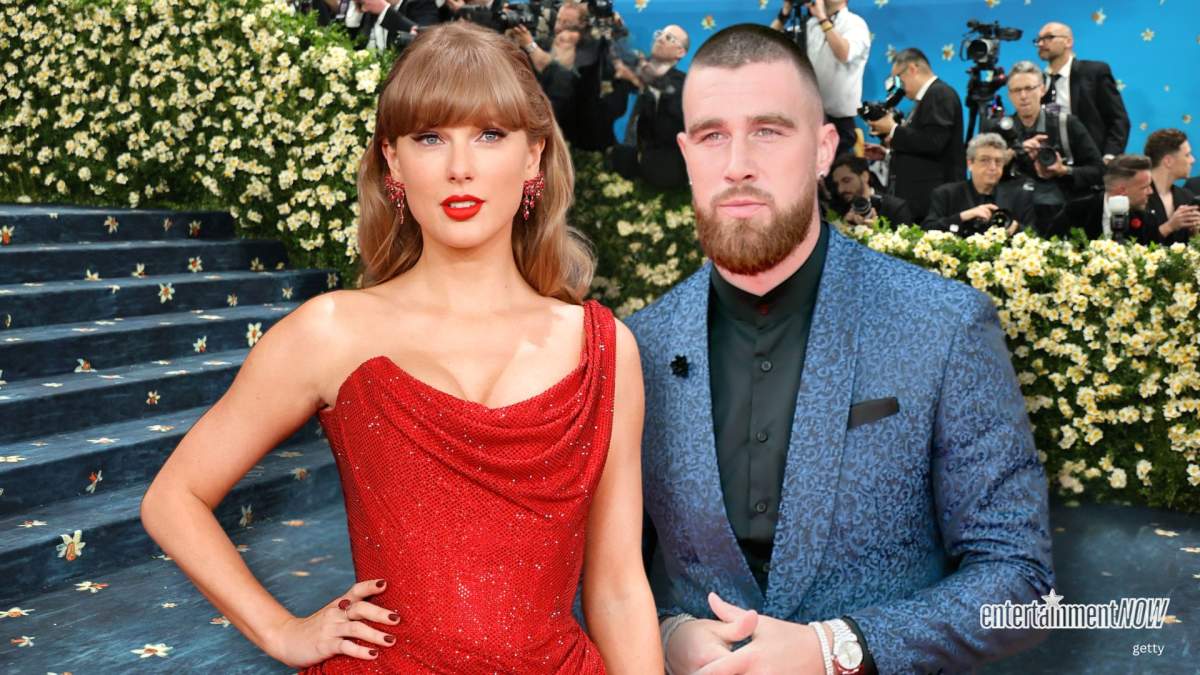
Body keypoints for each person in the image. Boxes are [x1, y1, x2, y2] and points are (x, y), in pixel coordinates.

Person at [140, 22, 662, 673]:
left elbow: (617, 588)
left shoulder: (605, 348)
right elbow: (173, 498)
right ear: (393, 160)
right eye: (429, 137)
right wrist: (280, 631)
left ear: (534, 156)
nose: (459, 167)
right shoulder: (330, 330)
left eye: (489, 134)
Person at [630, 23, 1052, 675]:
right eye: (713, 135)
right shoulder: (637, 346)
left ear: (824, 148)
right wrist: (665, 636)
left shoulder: (944, 323)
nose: (737, 163)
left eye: (768, 131)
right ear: (687, 154)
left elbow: (1022, 581)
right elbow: (589, 575)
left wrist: (837, 649)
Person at [989, 60, 1103, 232]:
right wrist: (1014, 152)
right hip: (1013, 214)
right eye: (1016, 90)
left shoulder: (1066, 125)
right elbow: (983, 174)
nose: (1023, 96)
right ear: (1009, 95)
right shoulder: (999, 130)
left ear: (1042, 89)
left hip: (1061, 214)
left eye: (1029, 88)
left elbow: (1099, 171)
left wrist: (1063, 170)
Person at [509, 2, 632, 152]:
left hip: (585, 143)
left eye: (567, 23)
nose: (559, 27)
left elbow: (561, 75)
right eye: (558, 20)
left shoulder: (592, 55)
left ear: (582, 27)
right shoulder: (547, 44)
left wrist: (531, 47)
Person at [865, 48, 965, 223]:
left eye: (898, 79)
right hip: (919, 202)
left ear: (912, 69)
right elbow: (921, 146)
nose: (898, 87)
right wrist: (888, 154)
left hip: (933, 202)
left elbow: (934, 142)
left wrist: (893, 129)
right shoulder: (924, 99)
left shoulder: (939, 93)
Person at [770, 0, 871, 158]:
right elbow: (768, 45)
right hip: (807, 117)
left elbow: (844, 53)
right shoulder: (810, 24)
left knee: (835, 170)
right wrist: (784, 14)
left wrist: (823, 19)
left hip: (838, 122)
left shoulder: (855, 23)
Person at [609, 24, 691, 189]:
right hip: (623, 162)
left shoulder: (686, 84)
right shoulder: (635, 71)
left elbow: (671, 124)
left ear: (680, 52)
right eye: (659, 33)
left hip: (663, 170)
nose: (660, 38)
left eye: (669, 38)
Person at [1035, 21, 1130, 160]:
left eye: (1049, 37)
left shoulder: (1094, 72)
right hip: (1054, 163)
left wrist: (1109, 157)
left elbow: (1118, 120)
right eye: (1038, 39)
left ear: (1068, 41)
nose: (1040, 43)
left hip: (1094, 162)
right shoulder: (1037, 82)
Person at [923, 133, 1035, 237]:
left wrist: (1016, 229)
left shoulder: (1019, 197)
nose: (993, 167)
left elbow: (1034, 237)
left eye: (998, 161)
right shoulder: (946, 194)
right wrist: (963, 216)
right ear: (970, 163)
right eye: (985, 160)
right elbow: (927, 230)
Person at [1050, 154, 1152, 241]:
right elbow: (1050, 249)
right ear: (1122, 191)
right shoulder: (1075, 213)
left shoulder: (1147, 221)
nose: (1151, 191)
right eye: (1145, 187)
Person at [1140, 128, 1198, 244]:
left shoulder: (1187, 197)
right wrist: (1169, 226)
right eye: (1187, 155)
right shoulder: (1137, 197)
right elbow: (1131, 244)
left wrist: (1195, 232)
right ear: (1168, 161)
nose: (1193, 160)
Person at [828, 153, 914, 226]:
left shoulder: (895, 208)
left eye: (846, 180)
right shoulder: (838, 209)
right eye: (837, 184)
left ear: (865, 176)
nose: (840, 189)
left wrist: (874, 231)